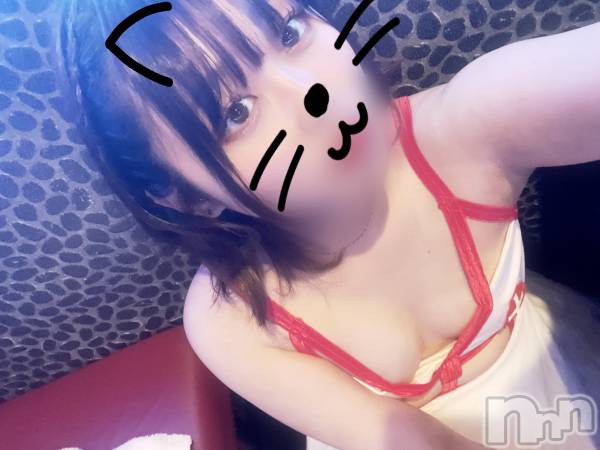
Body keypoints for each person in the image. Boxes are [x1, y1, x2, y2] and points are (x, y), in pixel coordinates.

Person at [56, 0, 600, 448]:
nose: (314, 95)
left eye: (290, 32)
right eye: (235, 113)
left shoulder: (466, 128)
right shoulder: (234, 320)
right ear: (189, 198)